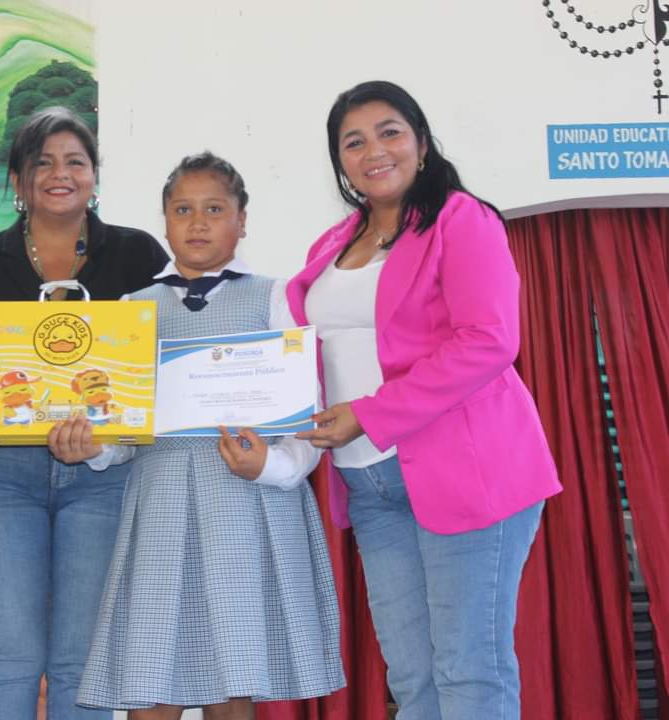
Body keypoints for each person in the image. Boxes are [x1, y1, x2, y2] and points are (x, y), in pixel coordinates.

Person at [287, 80, 563, 719]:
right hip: (369, 485)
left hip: (467, 470)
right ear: (339, 160)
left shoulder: (461, 220)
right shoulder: (333, 243)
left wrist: (369, 414)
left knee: (469, 671)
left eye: (389, 133)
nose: (374, 151)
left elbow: (488, 340)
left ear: (421, 142)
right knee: (412, 681)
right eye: (354, 142)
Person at [51, 152, 345, 720]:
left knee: (233, 681)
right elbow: (122, 430)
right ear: (164, 222)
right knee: (150, 679)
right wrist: (93, 447)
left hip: (246, 502)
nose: (198, 223)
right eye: (183, 210)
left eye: (214, 209)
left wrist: (272, 466)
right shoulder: (133, 309)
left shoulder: (274, 297)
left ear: (242, 220)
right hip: (161, 505)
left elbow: (306, 415)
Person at [0, 106, 169, 720]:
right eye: (43, 163)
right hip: (0, 476)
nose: (61, 174)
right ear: (18, 179)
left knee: (82, 665)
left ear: (94, 175)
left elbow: (165, 361)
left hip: (104, 476)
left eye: (75, 162)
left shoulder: (138, 255)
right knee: (9, 660)